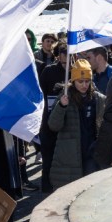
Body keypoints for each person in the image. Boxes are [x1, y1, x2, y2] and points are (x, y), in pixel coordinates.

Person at [48, 59, 105, 189]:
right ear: (73, 81)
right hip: (70, 154)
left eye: (87, 81)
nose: (84, 85)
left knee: (91, 188)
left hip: (92, 151)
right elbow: (53, 125)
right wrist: (61, 106)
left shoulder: (99, 99)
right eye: (80, 81)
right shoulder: (64, 97)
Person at [38, 41, 69, 192]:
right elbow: (39, 93)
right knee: (48, 158)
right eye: (63, 54)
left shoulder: (75, 71)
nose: (66, 58)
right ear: (58, 56)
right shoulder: (49, 71)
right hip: (48, 121)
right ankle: (46, 188)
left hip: (67, 122)